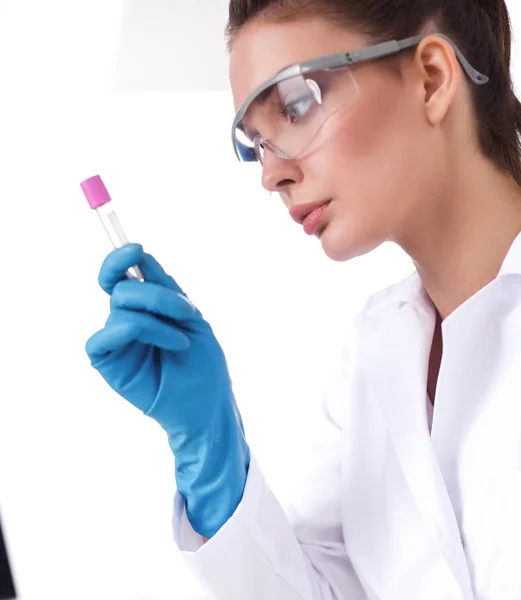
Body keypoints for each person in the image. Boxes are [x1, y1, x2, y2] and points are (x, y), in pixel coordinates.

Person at [85, 0, 521, 598]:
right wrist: (213, 455)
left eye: (296, 106)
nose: (272, 175)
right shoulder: (374, 355)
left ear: (432, 77)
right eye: (257, 141)